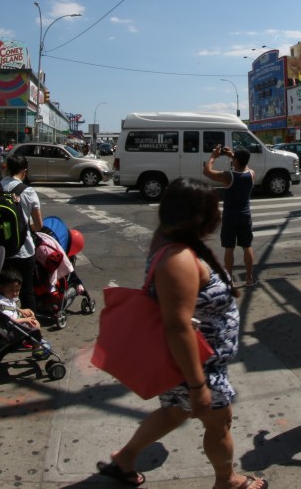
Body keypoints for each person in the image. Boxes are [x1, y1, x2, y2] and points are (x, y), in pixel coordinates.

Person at [98, 178, 264, 489]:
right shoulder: (179, 259)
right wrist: (198, 385)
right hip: (197, 367)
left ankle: (123, 459)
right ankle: (227, 480)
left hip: (190, 365)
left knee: (174, 412)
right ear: (200, 217)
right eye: (214, 209)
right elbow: (177, 326)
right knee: (220, 424)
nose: (218, 215)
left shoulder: (172, 240)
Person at [0, 154, 43, 315]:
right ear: (24, 171)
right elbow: (38, 225)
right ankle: (31, 330)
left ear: (7, 168)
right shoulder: (28, 191)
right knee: (26, 292)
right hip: (22, 250)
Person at [202, 144, 257, 287]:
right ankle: (249, 278)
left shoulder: (228, 176)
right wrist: (233, 155)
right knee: (247, 246)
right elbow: (245, 166)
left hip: (230, 217)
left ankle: (229, 280)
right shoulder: (251, 174)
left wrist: (213, 156)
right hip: (245, 217)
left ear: (237, 161)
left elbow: (207, 172)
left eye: (234, 159)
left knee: (229, 249)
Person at [0, 267, 44, 333]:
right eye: (11, 290)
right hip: (12, 327)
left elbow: (10, 308)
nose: (15, 293)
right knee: (35, 324)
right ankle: (36, 340)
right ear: (0, 287)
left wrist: (21, 310)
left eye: (18, 290)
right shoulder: (1, 302)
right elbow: (8, 320)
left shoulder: (6, 296)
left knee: (34, 320)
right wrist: (26, 320)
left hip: (16, 321)